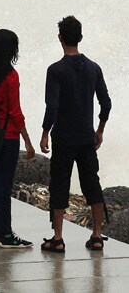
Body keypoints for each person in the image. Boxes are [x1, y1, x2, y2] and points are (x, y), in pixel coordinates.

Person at [40, 15, 111, 253]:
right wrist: (99, 131)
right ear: (80, 38)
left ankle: (58, 238)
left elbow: (53, 106)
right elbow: (106, 103)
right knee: (92, 183)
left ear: (60, 38)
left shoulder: (56, 70)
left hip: (63, 138)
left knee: (59, 184)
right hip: (85, 138)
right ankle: (97, 235)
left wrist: (44, 132)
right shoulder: (94, 68)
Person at [0, 29, 35, 248]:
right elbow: (15, 112)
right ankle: (6, 233)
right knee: (4, 184)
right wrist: (28, 141)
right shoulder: (11, 77)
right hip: (9, 137)